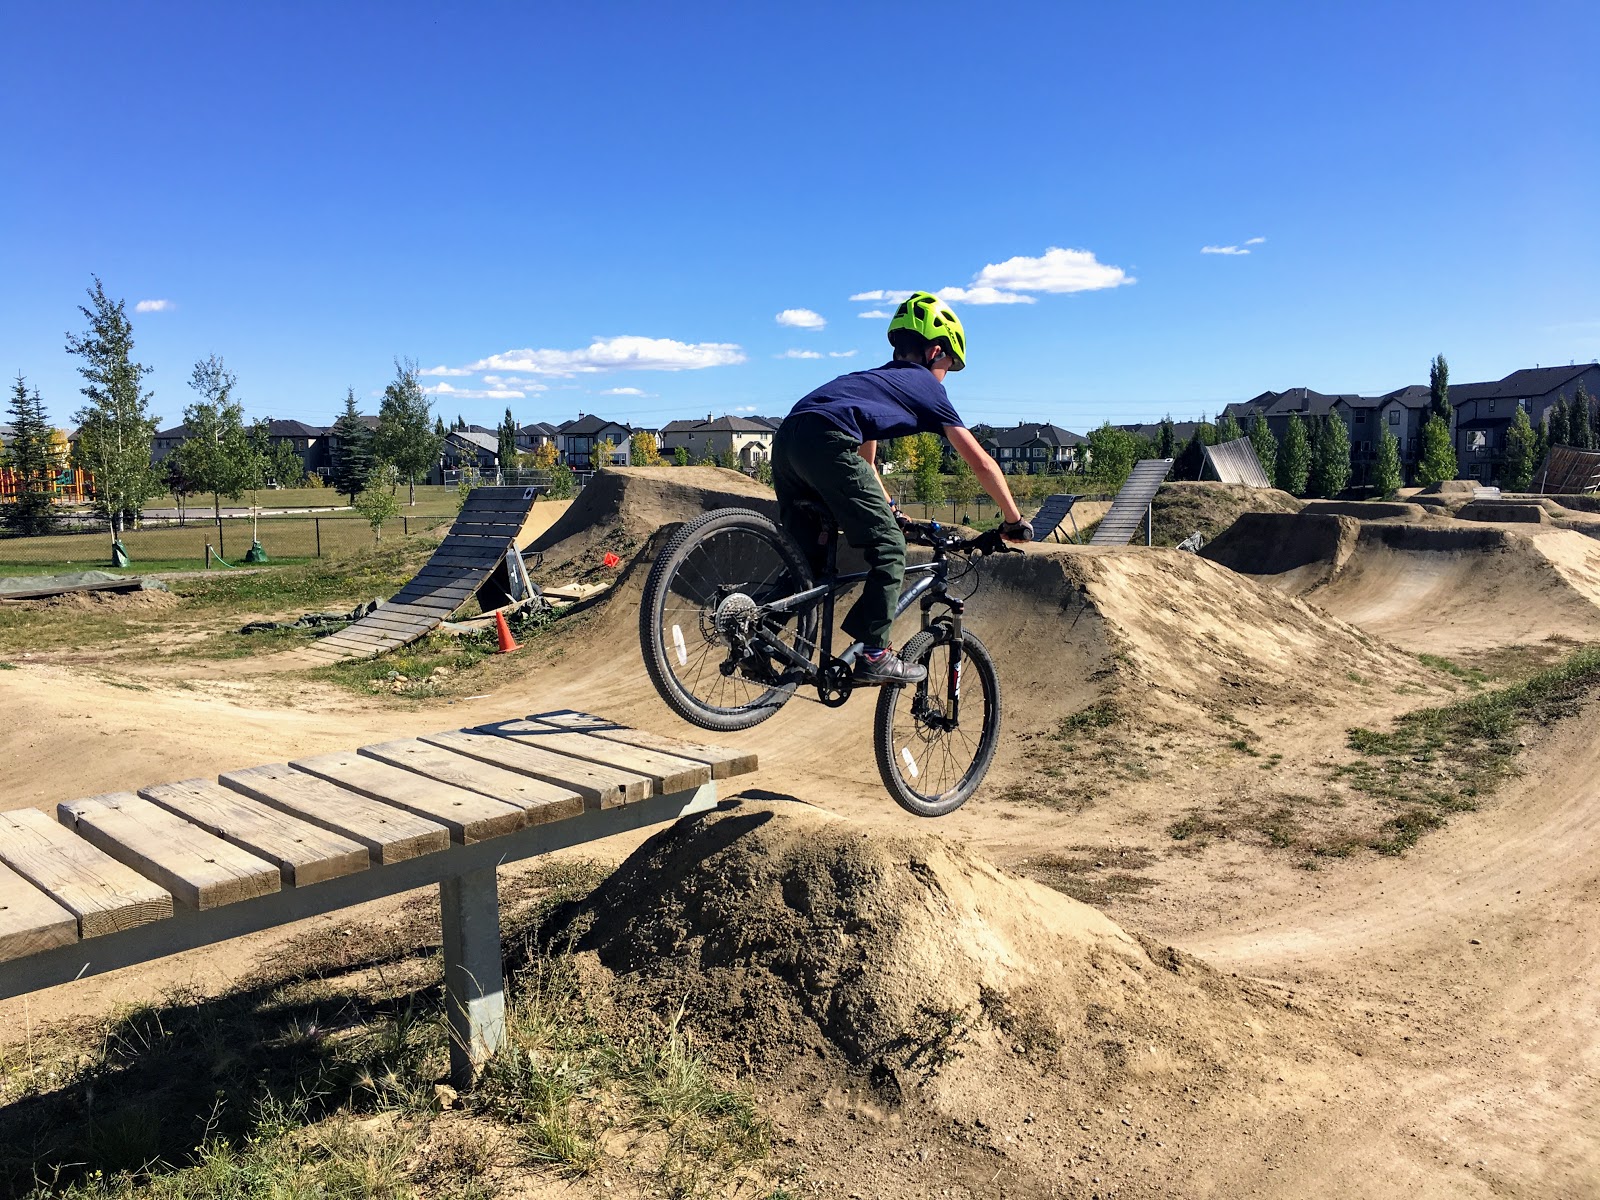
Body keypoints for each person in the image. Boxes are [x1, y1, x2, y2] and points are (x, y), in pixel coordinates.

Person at [770, 291, 1032, 686]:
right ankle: (874, 652)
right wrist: (1014, 520)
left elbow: (867, 464)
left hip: (789, 441)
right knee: (891, 547)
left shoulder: (872, 381)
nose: (947, 377)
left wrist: (890, 508)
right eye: (949, 366)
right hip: (826, 441)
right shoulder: (926, 386)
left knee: (806, 562)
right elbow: (980, 461)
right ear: (935, 352)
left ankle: (753, 629)